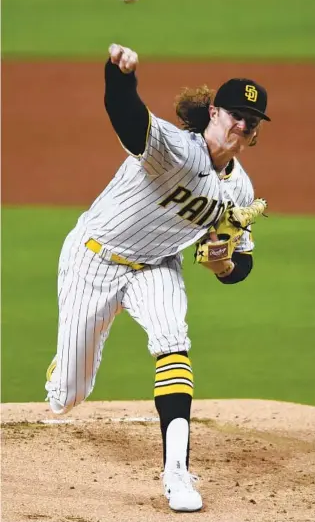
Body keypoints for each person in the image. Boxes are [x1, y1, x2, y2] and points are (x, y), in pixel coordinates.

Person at [45, 43, 271, 512]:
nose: (243, 126)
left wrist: (224, 264)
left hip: (157, 266)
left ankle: (178, 474)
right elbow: (126, 117)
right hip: (95, 258)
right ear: (213, 112)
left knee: (173, 342)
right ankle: (64, 369)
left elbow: (240, 264)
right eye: (236, 115)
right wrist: (120, 75)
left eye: (252, 121)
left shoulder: (241, 188)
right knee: (67, 396)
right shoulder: (175, 148)